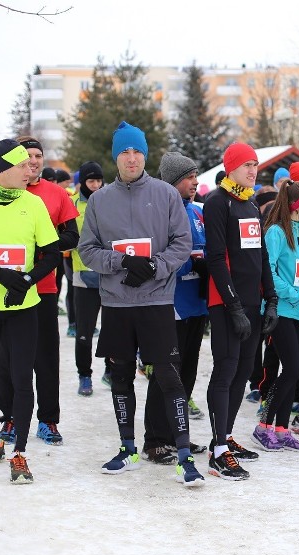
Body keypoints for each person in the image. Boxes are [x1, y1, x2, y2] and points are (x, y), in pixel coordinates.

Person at [78, 121, 204, 486]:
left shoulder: (165, 194)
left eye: (137, 152)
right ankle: (128, 448)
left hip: (156, 300)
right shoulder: (100, 201)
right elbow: (87, 250)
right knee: (120, 376)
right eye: (124, 152)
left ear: (144, 155)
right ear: (116, 156)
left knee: (167, 374)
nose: (131, 158)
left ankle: (183, 457)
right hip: (117, 304)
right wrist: (122, 263)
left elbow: (181, 243)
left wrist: (153, 267)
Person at [0, 139, 61, 483]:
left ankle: (19, 452)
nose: (31, 170)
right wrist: (0, 276)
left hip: (23, 307)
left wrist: (24, 281)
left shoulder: (34, 204)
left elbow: (52, 254)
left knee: (23, 377)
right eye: (23, 165)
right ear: (4, 169)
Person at [201, 143, 279, 477]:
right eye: (246, 164)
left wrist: (271, 298)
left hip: (252, 302)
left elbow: (260, 255)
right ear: (230, 167)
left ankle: (226, 436)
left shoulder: (249, 203)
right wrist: (232, 305)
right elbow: (215, 257)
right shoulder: (218, 202)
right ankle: (217, 450)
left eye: (255, 165)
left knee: (245, 368)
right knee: (226, 369)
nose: (252, 170)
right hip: (226, 303)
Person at [0, 136, 79, 447]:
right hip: (6, 288)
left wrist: (44, 245)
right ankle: (12, 416)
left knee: (45, 356)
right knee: (8, 357)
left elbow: (73, 236)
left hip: (43, 288)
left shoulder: (57, 194)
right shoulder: (2, 195)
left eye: (38, 155)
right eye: (27, 155)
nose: (33, 160)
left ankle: (48, 420)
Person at [140, 152, 208, 465]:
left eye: (195, 176)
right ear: (171, 181)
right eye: (187, 177)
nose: (194, 182)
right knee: (166, 375)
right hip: (171, 304)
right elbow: (159, 259)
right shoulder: (161, 212)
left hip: (196, 304)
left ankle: (176, 435)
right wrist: (189, 263)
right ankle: (155, 440)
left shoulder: (196, 211)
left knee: (188, 371)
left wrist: (205, 262)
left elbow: (204, 247)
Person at [251, 180, 299, 452]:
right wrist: (290, 292)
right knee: (290, 369)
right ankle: (262, 426)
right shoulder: (276, 232)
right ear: (296, 206)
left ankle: (281, 428)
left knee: (295, 370)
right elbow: (268, 271)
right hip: (281, 310)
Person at [71, 161, 107, 396]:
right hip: (83, 276)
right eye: (90, 181)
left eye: (98, 181)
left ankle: (111, 372)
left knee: (113, 329)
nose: (95, 185)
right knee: (85, 331)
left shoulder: (109, 201)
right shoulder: (72, 204)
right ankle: (85, 375)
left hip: (110, 275)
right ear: (82, 182)